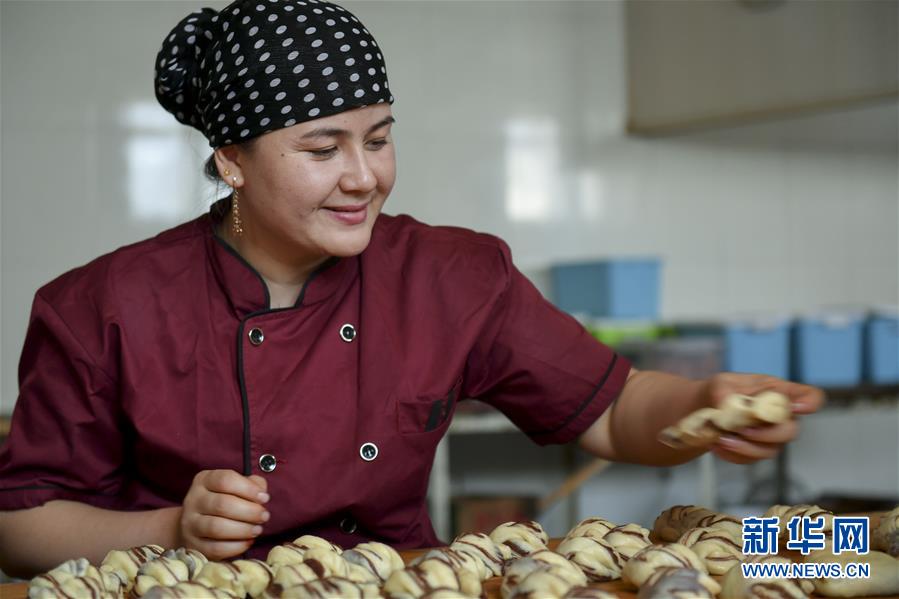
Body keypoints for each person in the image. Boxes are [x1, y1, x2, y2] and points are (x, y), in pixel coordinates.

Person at [0, 0, 823, 579]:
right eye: (322, 148)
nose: (364, 177)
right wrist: (175, 527)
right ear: (231, 160)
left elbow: (611, 408)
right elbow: (19, 522)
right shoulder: (105, 305)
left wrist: (700, 406)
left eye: (379, 139)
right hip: (194, 589)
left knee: (825, 552)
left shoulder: (447, 275)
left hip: (401, 583)